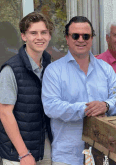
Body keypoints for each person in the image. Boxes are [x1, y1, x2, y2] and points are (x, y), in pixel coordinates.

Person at [41, 16, 116, 165]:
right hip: (68, 156)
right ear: (67, 38)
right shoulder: (53, 70)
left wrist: (106, 105)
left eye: (86, 36)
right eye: (75, 35)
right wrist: (87, 109)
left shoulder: (105, 69)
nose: (81, 39)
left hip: (103, 153)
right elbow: (51, 106)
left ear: (92, 38)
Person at [0, 12, 54, 165]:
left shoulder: (49, 65)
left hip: (44, 147)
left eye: (44, 32)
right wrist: (24, 154)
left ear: (49, 36)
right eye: (33, 33)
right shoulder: (11, 70)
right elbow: (5, 113)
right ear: (24, 36)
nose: (39, 37)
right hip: (17, 153)